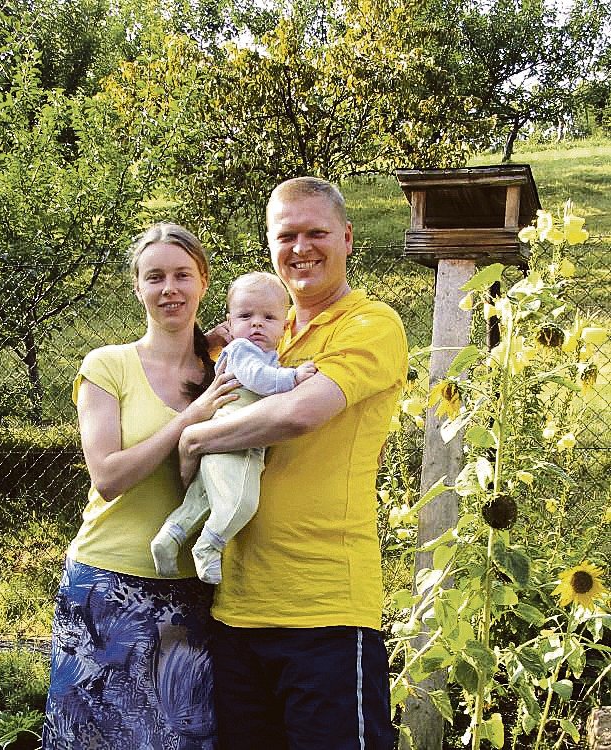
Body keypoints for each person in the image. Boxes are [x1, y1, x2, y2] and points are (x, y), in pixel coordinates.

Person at [178, 177, 408, 750]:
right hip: (235, 608)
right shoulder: (267, 337)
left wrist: (196, 438)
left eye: (316, 232)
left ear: (348, 237)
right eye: (287, 236)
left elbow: (299, 414)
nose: (301, 248)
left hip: (325, 612)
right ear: (270, 245)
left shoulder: (369, 324)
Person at [42, 223, 239, 750]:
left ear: (203, 281)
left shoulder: (226, 368)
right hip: (105, 585)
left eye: (181, 275)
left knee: (180, 739)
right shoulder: (108, 365)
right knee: (94, 740)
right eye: (155, 277)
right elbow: (108, 477)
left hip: (190, 589)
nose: (169, 289)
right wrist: (191, 416)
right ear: (138, 288)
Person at [151, 271, 316, 584]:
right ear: (230, 324)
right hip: (233, 445)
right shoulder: (242, 352)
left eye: (268, 317)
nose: (256, 323)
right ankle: (208, 548)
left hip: (221, 443)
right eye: (245, 316)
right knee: (241, 503)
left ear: (284, 326)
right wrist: (293, 378)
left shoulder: (269, 357)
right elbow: (257, 379)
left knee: (200, 502)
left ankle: (169, 539)